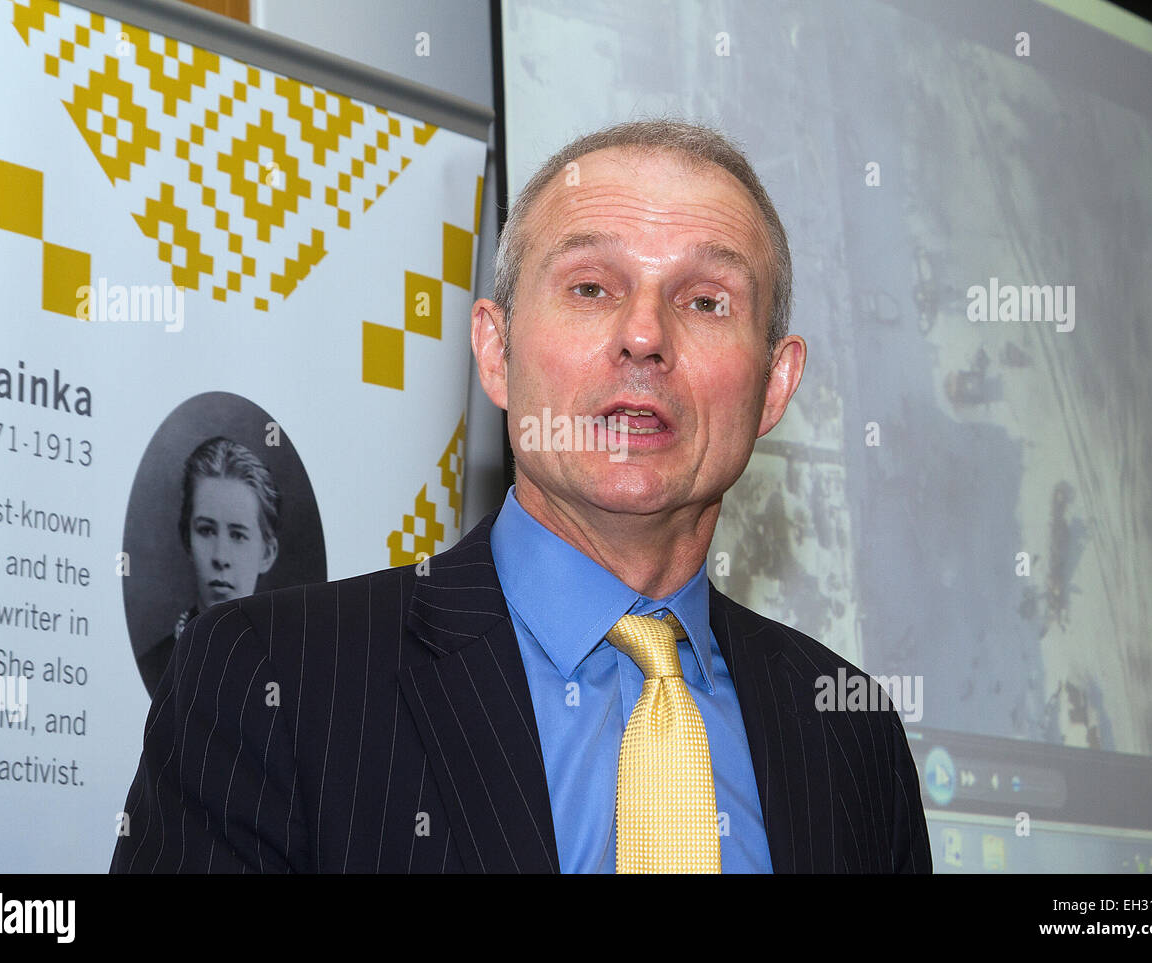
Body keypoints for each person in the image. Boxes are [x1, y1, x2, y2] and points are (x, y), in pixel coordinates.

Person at [112, 119, 931, 873]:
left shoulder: (850, 735)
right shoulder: (272, 676)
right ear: (495, 352)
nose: (645, 335)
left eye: (706, 300)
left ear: (775, 384)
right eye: (590, 288)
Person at [135, 436, 280, 697]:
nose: (220, 557)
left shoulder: (291, 672)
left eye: (238, 535)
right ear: (187, 540)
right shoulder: (151, 669)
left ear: (267, 553)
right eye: (206, 530)